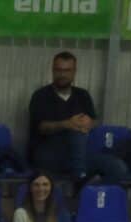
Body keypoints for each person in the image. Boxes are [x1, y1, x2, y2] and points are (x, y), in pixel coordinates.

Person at [29, 50, 124, 186]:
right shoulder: (41, 96)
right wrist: (67, 124)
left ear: (74, 72)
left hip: (79, 154)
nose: (62, 75)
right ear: (52, 71)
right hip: (49, 155)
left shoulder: (83, 95)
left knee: (117, 167)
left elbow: (93, 121)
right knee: (76, 132)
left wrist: (89, 123)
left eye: (67, 70)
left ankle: (86, 191)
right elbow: (41, 127)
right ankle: (80, 177)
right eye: (59, 70)